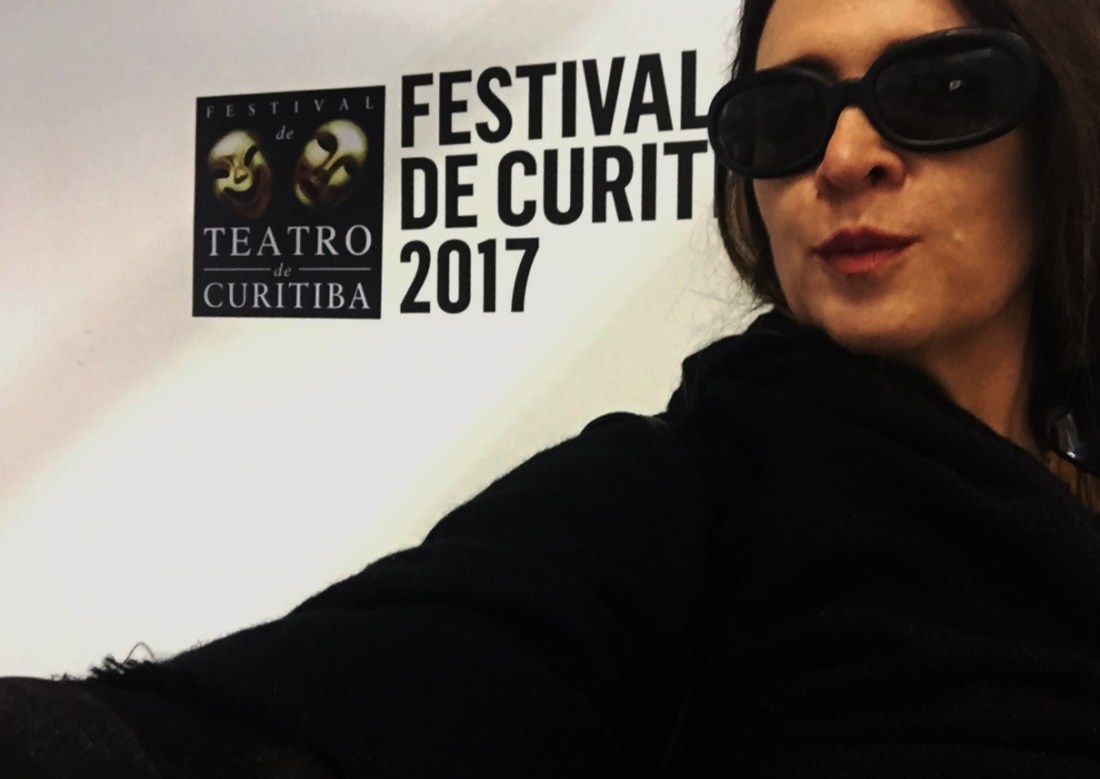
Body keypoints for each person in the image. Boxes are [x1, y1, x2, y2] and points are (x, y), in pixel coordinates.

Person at [4, 0, 1100, 775]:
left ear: (1059, 129)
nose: (845, 155)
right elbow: (388, 682)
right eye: (782, 115)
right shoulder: (690, 482)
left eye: (942, 88)